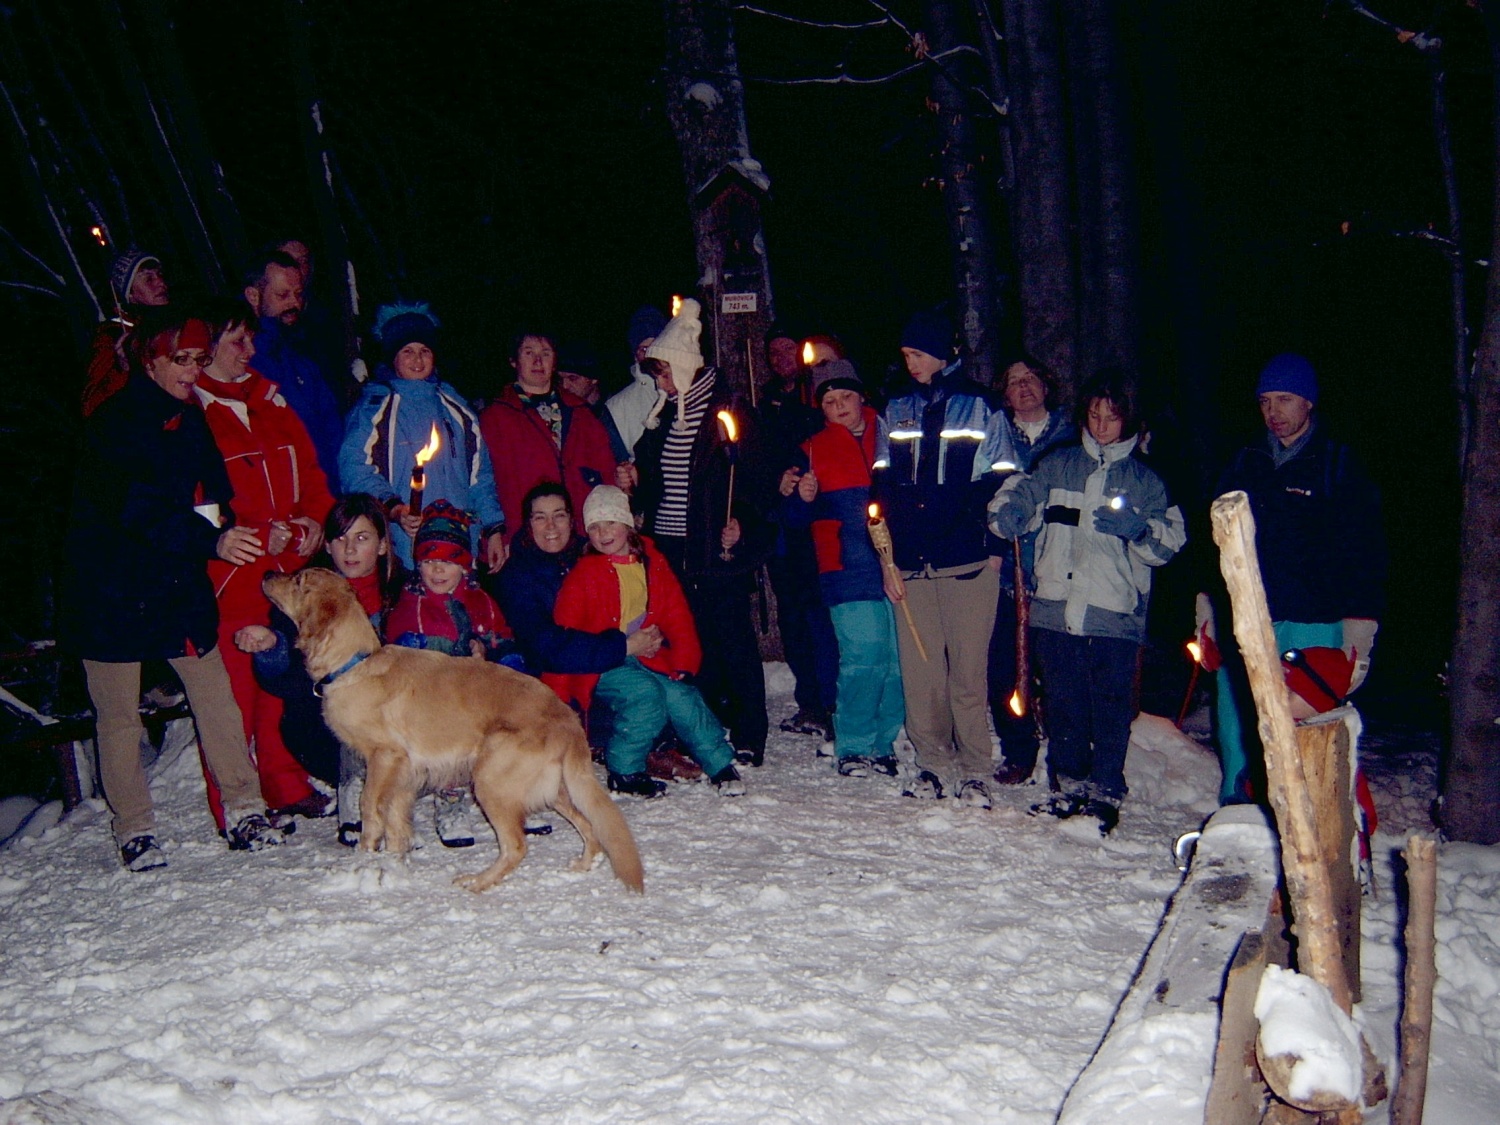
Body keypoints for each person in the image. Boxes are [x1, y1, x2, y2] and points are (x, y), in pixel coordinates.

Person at [60, 306, 286, 870]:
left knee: (215, 694)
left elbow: (214, 493)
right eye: (181, 360)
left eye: (198, 360)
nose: (192, 371)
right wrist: (211, 540)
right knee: (119, 714)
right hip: (110, 590)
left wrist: (238, 526)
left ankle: (244, 808)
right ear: (151, 361)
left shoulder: (190, 419)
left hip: (175, 582)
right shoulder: (113, 423)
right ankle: (134, 829)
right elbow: (136, 509)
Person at [988, 372, 1187, 834]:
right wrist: (1010, 513)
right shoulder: (1058, 465)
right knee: (1064, 703)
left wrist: (1139, 530)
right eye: (1094, 416)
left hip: (1114, 614)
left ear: (1128, 421)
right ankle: (1068, 784)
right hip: (1055, 609)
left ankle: (1106, 790)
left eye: (1111, 418)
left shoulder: (1146, 480)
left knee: (1111, 706)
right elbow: (1016, 494)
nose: (1101, 426)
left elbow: (1169, 543)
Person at [1211, 353, 1386, 804]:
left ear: (1308, 402)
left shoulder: (1337, 463)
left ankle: (1305, 815)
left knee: (1302, 721)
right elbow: (1215, 542)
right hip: (1249, 615)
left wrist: (1360, 624)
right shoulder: (1245, 461)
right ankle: (1240, 810)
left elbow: (1364, 549)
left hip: (1314, 619)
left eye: (1285, 399)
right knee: (1239, 720)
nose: (1273, 412)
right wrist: (1207, 605)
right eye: (1265, 401)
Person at [195, 297, 335, 832]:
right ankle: (236, 805)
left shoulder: (271, 401)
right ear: (208, 346)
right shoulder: (194, 410)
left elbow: (313, 479)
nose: (250, 351)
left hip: (285, 572)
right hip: (229, 578)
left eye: (251, 339)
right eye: (238, 341)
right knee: (232, 696)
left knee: (282, 683)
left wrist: (309, 524)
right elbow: (195, 507)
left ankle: (284, 783)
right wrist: (252, 534)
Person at [873, 310, 1010, 807]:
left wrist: (994, 546)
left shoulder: (981, 406)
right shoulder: (896, 408)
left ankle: (975, 768)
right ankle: (932, 761)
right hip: (910, 563)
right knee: (922, 673)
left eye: (917, 354)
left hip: (967, 560)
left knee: (968, 674)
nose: (910, 363)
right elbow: (882, 486)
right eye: (905, 355)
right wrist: (887, 559)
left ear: (940, 352)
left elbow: (1004, 480)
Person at [631, 300, 775, 766]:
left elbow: (758, 483)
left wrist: (743, 524)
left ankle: (750, 730)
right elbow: (655, 480)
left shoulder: (729, 412)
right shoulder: (663, 415)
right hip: (671, 548)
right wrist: (635, 481)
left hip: (715, 547)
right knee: (692, 640)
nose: (661, 383)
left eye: (665, 373)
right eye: (658, 376)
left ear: (684, 366)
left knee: (732, 638)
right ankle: (709, 723)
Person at [235, 494, 407, 846]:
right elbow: (283, 682)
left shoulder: (406, 592)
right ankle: (353, 792)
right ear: (327, 546)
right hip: (329, 731)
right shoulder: (306, 593)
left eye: (362, 538)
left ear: (382, 545)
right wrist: (272, 647)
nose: (350, 549)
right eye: (340, 539)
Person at [551, 486, 745, 797]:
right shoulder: (584, 574)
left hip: (645, 657)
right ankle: (625, 770)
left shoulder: (652, 562)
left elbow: (676, 612)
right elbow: (564, 636)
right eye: (595, 527)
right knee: (645, 695)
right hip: (603, 665)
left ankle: (719, 763)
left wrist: (685, 659)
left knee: (682, 696)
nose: (603, 533)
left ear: (628, 524)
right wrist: (558, 695)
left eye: (611, 523)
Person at [783, 361, 904, 778]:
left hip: (898, 563)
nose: (839, 407)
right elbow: (791, 518)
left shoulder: (892, 434)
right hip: (845, 567)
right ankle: (852, 743)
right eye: (829, 401)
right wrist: (801, 497)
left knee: (897, 660)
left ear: (860, 396)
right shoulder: (811, 448)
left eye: (845, 397)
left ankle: (884, 743)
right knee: (863, 656)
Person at [380, 502, 514, 846]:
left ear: (464, 565)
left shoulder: (482, 602)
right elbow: (401, 653)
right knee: (448, 739)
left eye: (449, 562)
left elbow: (503, 640)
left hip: (477, 700)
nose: (438, 570)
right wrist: (446, 652)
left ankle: (509, 791)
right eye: (428, 561)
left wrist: (487, 651)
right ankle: (447, 801)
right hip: (426, 705)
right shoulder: (410, 605)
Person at [339, 301, 507, 570]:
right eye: (407, 351)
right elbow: (354, 468)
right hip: (407, 548)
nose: (417, 360)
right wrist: (394, 508)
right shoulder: (375, 408)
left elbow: (480, 476)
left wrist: (493, 527)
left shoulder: (457, 409)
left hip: (458, 544)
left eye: (424, 351)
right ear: (393, 358)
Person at [987, 359, 1078, 785]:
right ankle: (1018, 749)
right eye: (1013, 382)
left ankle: (1068, 756)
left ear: (1046, 384)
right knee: (1005, 668)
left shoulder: (1073, 435)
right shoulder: (995, 437)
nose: (1023, 387)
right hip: (1008, 571)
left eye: (1030, 379)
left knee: (1060, 671)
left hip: (1061, 571)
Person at [760, 329, 838, 741]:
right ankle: (810, 700)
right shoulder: (766, 404)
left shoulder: (820, 399)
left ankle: (832, 702)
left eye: (787, 349)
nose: (780, 358)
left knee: (821, 617)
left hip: (821, 527)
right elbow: (759, 458)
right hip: (784, 527)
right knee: (793, 617)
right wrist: (776, 482)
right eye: (772, 352)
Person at [479, 330, 618, 545]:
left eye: (545, 353)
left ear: (554, 362)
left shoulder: (581, 412)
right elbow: (486, 483)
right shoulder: (495, 417)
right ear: (514, 361)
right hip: (524, 535)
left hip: (579, 533)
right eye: (529, 353)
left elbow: (606, 471)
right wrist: (496, 534)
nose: (538, 361)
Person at [243, 248, 345, 479]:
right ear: (253, 296)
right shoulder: (243, 358)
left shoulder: (303, 352)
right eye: (282, 295)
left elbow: (331, 425)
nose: (294, 303)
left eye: (298, 294)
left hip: (324, 485)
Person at [82, 249, 170, 417]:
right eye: (149, 279)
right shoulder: (112, 336)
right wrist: (122, 368)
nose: (161, 283)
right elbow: (91, 405)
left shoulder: (174, 324)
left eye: (160, 275)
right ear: (130, 294)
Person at [605, 304, 670, 456]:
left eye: (657, 345)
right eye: (644, 349)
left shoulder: (687, 390)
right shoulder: (617, 407)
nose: (652, 355)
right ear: (635, 354)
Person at [557, 340, 631, 464]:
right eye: (560, 379)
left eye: (573, 378)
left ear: (593, 379)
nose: (565, 386)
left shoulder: (616, 409)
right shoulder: (560, 411)